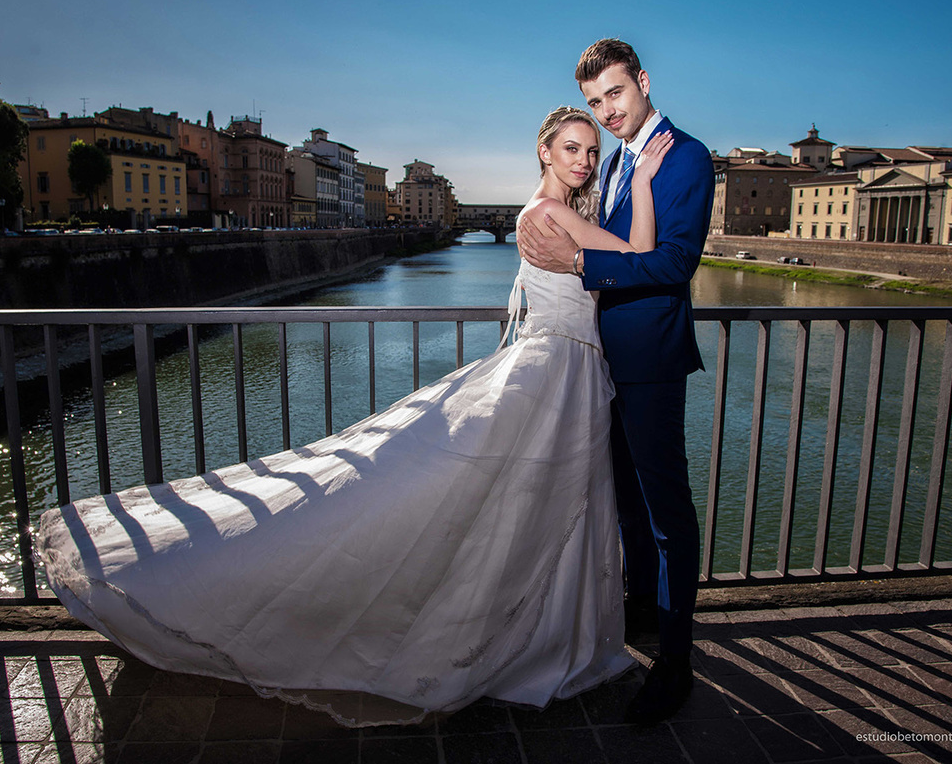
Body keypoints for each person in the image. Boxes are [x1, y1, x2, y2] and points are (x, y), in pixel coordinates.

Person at [35, 106, 670, 728]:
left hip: (561, 368)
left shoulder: (547, 211)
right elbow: (643, 254)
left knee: (523, 503)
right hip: (560, 371)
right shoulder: (553, 211)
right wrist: (642, 179)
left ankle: (532, 630)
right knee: (529, 503)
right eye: (572, 149)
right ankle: (533, 636)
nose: (585, 161)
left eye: (591, 151)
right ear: (544, 151)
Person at [516, 38, 714, 724]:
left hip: (652, 362)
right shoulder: (618, 160)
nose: (608, 113)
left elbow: (673, 263)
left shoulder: (685, 156)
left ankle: (677, 661)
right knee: (625, 502)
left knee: (665, 515)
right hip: (599, 363)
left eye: (616, 96)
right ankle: (640, 613)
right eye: (597, 103)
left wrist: (577, 262)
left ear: (644, 82)